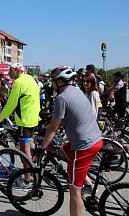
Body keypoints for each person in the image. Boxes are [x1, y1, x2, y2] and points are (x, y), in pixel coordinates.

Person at [39, 66, 102, 216]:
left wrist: (42, 148)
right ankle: (87, 181)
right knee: (62, 151)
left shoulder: (62, 98)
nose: (52, 84)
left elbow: (53, 128)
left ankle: (81, 186)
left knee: (74, 190)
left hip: (84, 146)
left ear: (60, 82)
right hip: (94, 139)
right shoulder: (76, 91)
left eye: (53, 81)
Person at [0, 63, 40, 162]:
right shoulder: (29, 78)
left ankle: (28, 176)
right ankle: (37, 158)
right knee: (29, 143)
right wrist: (6, 90)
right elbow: (21, 95)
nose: (8, 73)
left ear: (17, 71)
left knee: (24, 150)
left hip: (24, 120)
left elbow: (11, 104)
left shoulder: (18, 82)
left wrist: (0, 118)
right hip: (33, 117)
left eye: (11, 70)